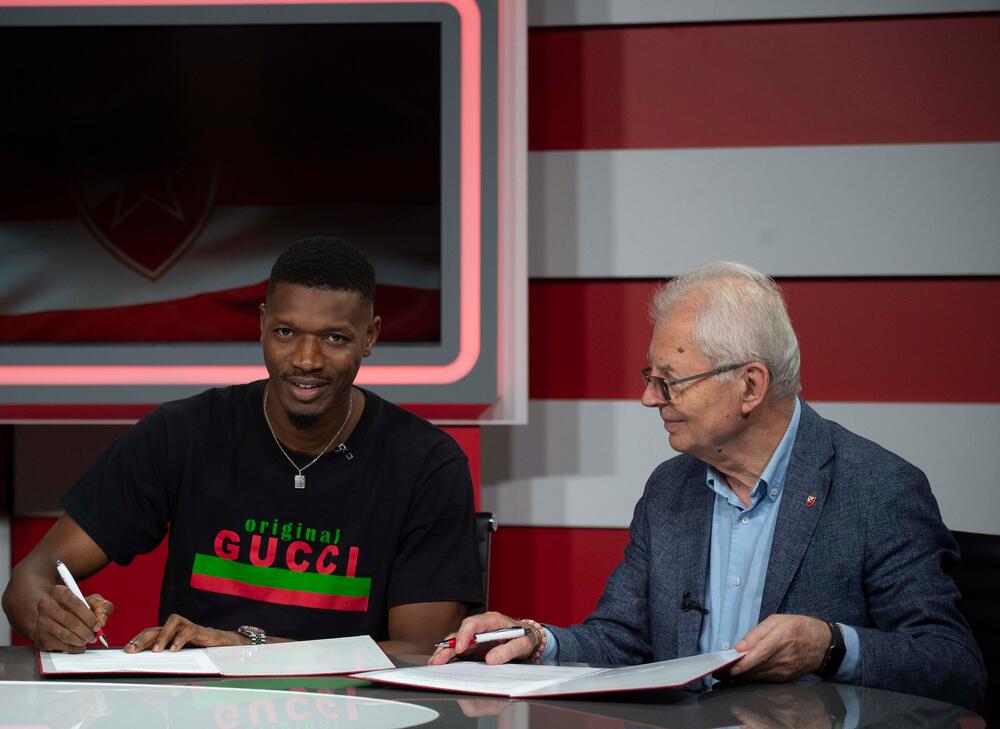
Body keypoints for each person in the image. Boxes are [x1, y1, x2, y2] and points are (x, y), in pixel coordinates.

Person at [432, 261, 986, 710]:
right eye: (650, 378)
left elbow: (954, 666)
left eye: (669, 382)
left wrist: (831, 646)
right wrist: (536, 640)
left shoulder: (877, 488)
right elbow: (622, 639)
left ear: (750, 386)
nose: (649, 399)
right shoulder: (670, 489)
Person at [3, 236, 483, 654]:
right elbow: (30, 578)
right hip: (194, 708)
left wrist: (246, 648)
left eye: (335, 338)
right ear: (262, 324)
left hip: (356, 708)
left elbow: (420, 653)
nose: (307, 359)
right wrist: (49, 615)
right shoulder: (184, 432)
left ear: (370, 337)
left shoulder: (425, 462)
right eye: (286, 332)